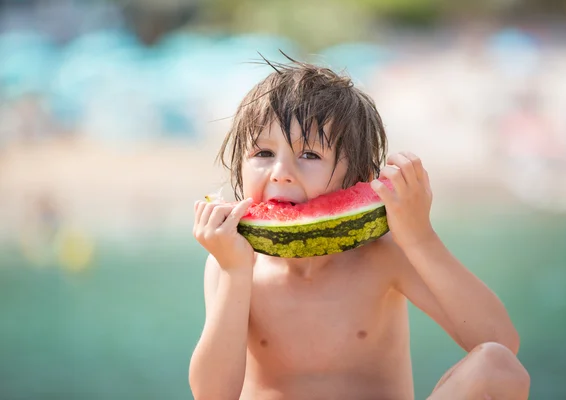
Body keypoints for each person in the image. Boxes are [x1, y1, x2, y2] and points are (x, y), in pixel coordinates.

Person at [189, 57, 530, 400]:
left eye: (309, 155)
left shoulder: (384, 253)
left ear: (358, 176)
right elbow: (212, 396)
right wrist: (234, 271)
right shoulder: (232, 261)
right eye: (263, 152)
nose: (281, 172)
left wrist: (419, 237)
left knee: (495, 365)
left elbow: (501, 341)